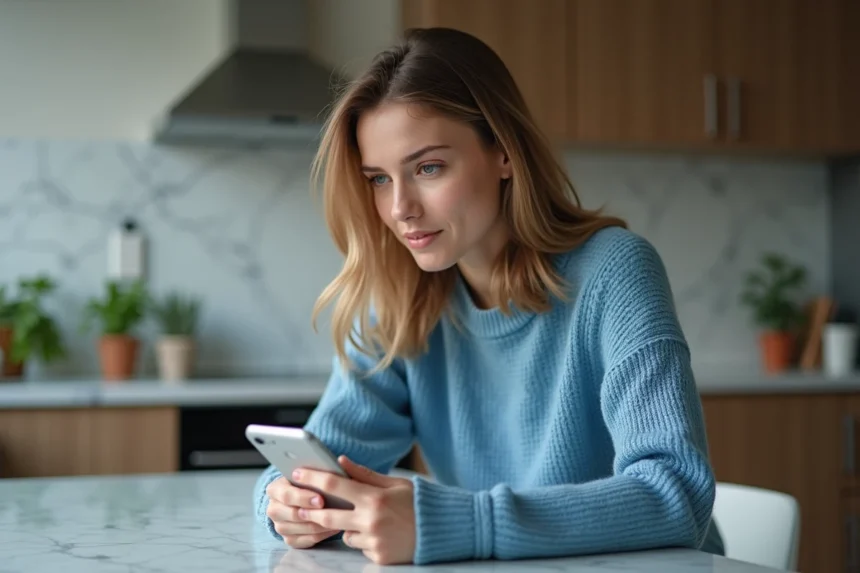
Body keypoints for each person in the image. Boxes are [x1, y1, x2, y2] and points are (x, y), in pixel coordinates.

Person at [254, 26, 725, 566]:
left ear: (503, 152)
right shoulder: (399, 298)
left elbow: (677, 493)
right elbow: (311, 463)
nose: (401, 208)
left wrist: (463, 523)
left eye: (428, 168)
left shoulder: (614, 272)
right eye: (379, 179)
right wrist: (286, 504)